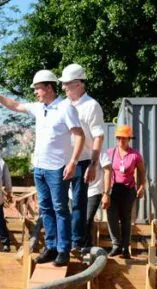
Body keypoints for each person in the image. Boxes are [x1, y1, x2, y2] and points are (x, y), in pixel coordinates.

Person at [0, 69, 85, 266]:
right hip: (40, 168)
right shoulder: (39, 108)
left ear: (49, 88)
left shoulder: (65, 108)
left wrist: (73, 162)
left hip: (58, 168)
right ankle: (51, 247)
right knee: (46, 208)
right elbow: (15, 105)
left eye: (38, 89)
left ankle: (63, 249)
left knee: (60, 208)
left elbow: (79, 136)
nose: (35, 92)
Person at [59, 64, 105, 251]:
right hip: (62, 160)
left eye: (67, 84)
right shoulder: (63, 105)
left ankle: (76, 242)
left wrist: (93, 164)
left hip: (83, 159)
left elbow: (98, 136)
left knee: (78, 203)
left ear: (79, 84)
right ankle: (63, 239)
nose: (63, 88)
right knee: (60, 203)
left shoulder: (91, 106)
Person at [107, 125, 145, 259]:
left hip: (128, 190)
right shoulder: (110, 153)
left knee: (125, 219)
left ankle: (125, 248)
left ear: (129, 139)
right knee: (111, 217)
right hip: (113, 189)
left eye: (124, 138)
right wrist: (104, 192)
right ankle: (116, 245)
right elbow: (105, 171)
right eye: (119, 138)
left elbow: (142, 171)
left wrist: (142, 186)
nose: (121, 141)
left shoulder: (135, 155)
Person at [71, 151, 112, 248]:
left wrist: (106, 193)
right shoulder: (72, 149)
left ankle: (79, 247)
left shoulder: (100, 152)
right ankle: (87, 246)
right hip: (73, 192)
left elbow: (108, 170)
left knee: (86, 219)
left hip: (93, 191)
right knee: (75, 220)